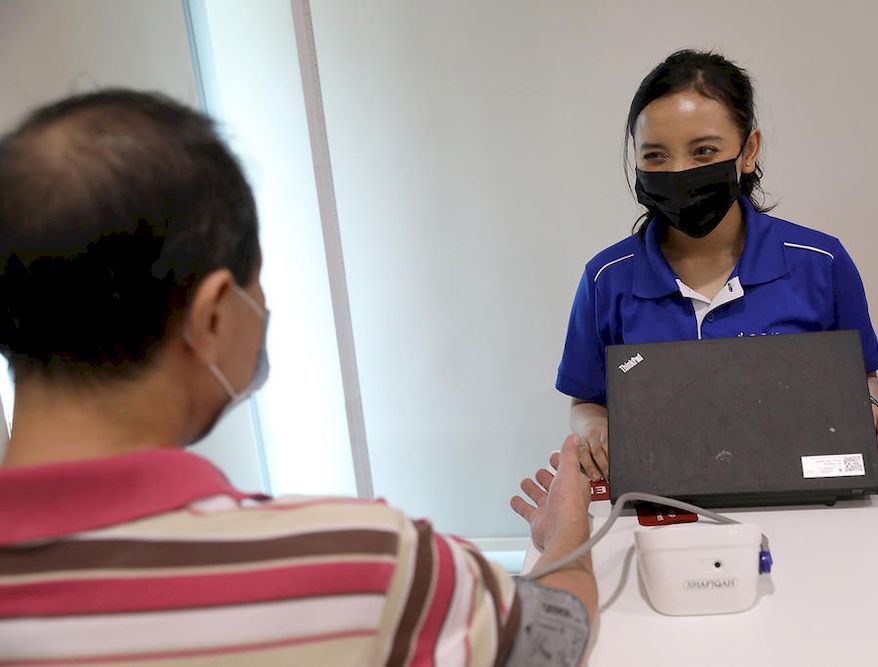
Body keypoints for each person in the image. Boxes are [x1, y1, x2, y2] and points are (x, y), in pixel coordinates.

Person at [0, 90, 596, 666]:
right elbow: (557, 632)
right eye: (256, 281)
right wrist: (566, 529)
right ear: (212, 316)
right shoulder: (369, 567)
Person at [557, 50, 878, 482]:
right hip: (660, 495)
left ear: (749, 151)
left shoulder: (822, 262)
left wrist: (870, 409)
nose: (679, 171)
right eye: (656, 156)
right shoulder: (605, 279)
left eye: (703, 151)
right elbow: (586, 401)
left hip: (799, 495)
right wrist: (593, 429)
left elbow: (863, 379)